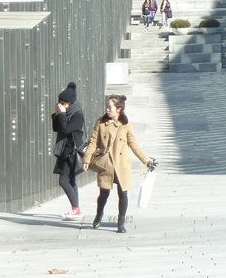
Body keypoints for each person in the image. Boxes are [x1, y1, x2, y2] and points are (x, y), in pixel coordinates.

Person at [83, 95, 155, 234]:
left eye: (110, 107)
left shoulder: (126, 125)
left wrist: (146, 160)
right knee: (103, 194)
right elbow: (93, 142)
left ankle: (120, 223)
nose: (107, 109)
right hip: (106, 164)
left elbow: (134, 145)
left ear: (119, 110)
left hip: (122, 164)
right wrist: (87, 159)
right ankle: (99, 215)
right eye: (107, 107)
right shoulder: (101, 122)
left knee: (123, 193)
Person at [51, 82, 85, 221]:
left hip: (71, 153)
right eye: (59, 103)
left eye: (63, 103)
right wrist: (57, 114)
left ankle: (76, 209)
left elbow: (66, 130)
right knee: (71, 180)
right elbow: (56, 128)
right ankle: (76, 209)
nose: (60, 105)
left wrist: (63, 115)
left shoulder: (77, 115)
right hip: (64, 152)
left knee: (63, 180)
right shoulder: (65, 114)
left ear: (70, 104)